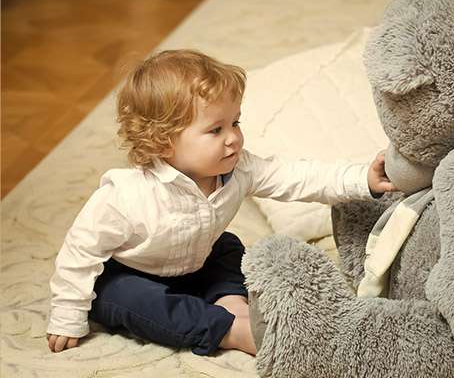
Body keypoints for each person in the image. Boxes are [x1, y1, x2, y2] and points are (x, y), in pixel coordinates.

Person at [46, 49, 395, 356]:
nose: (234, 138)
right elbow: (80, 251)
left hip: (196, 259)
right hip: (132, 272)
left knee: (228, 247)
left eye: (236, 122)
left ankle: (231, 300)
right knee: (124, 298)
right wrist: (67, 315)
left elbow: (294, 176)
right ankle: (229, 330)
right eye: (216, 130)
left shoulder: (239, 168)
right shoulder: (125, 195)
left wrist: (362, 178)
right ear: (163, 143)